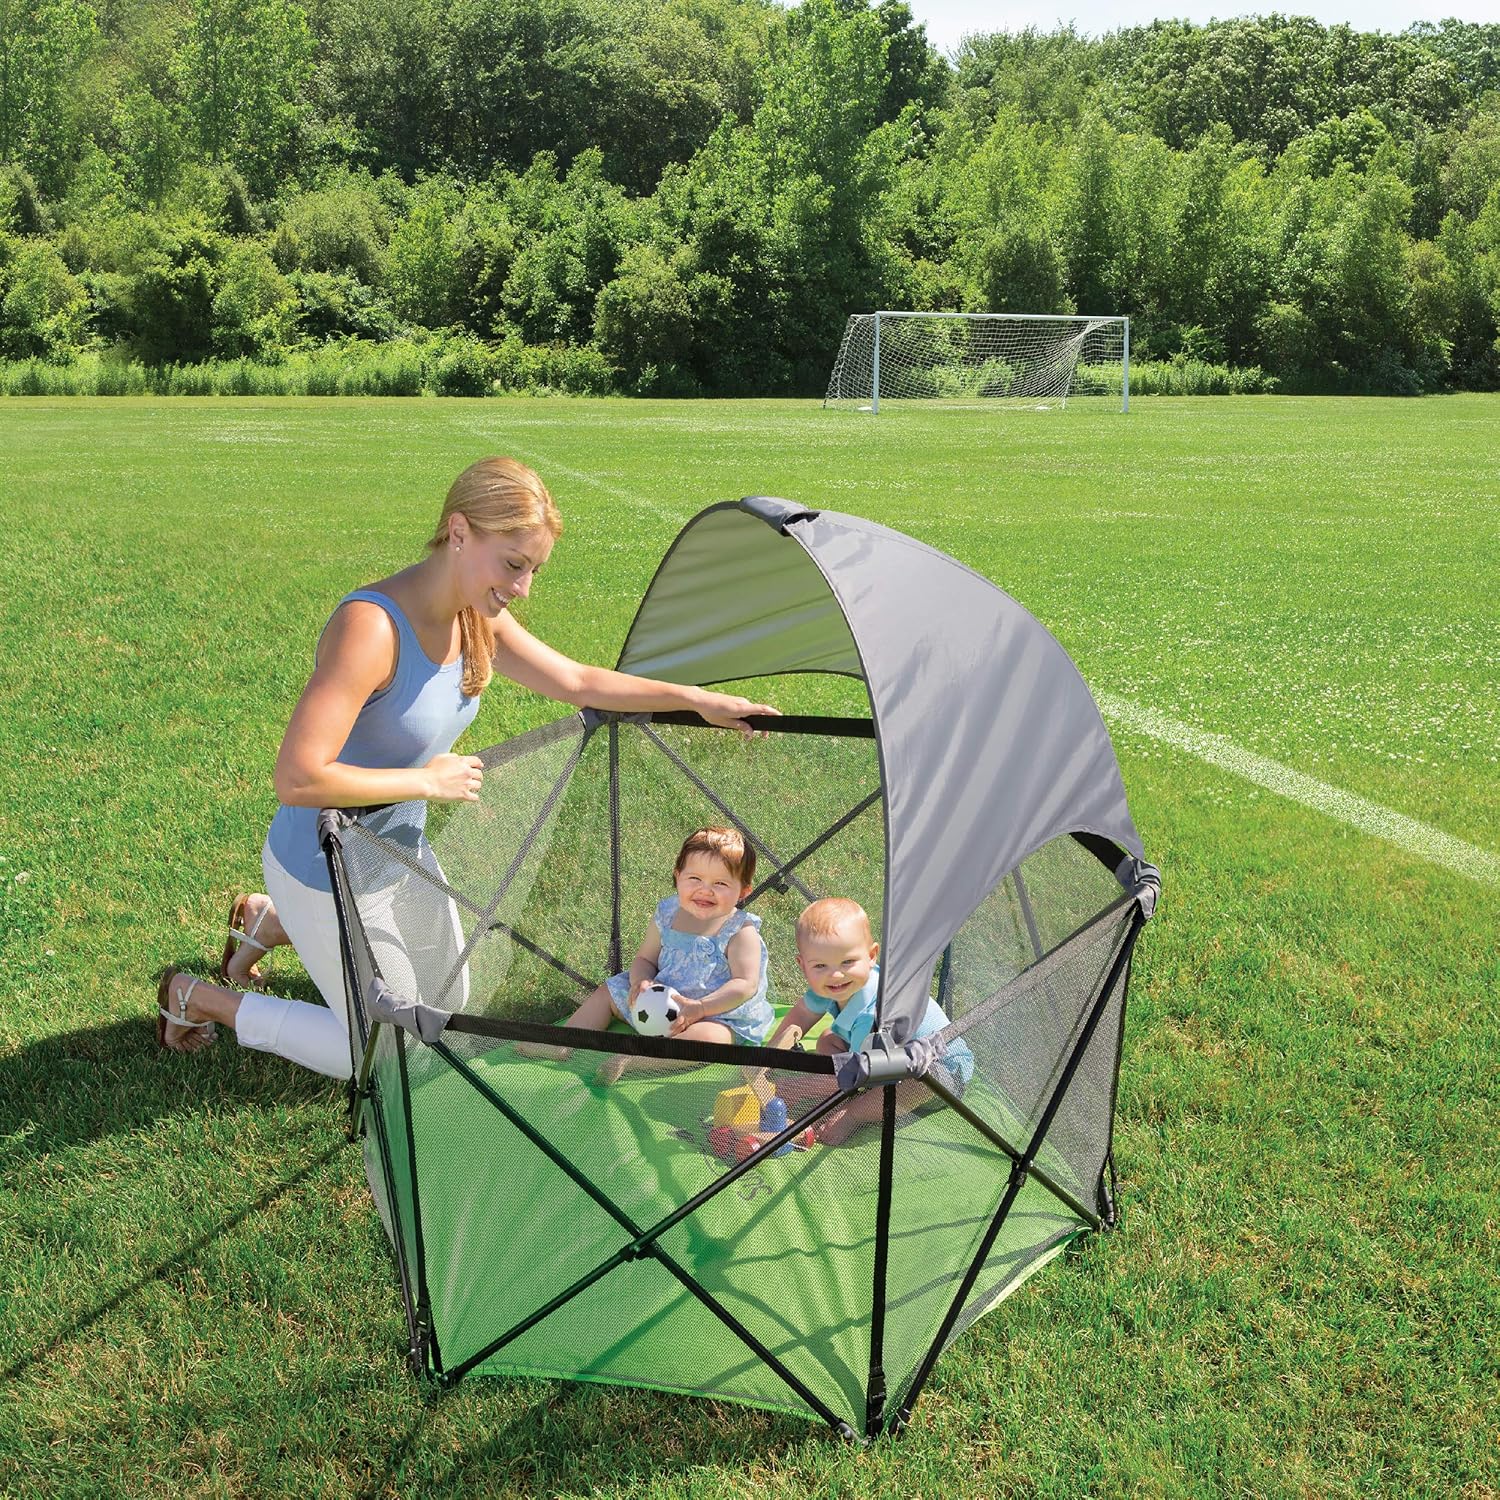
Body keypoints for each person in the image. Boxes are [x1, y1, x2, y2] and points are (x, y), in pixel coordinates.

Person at [156, 458, 778, 1078]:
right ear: (459, 532)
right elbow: (296, 776)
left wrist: (696, 697)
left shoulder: (475, 616)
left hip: (395, 851)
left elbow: (577, 680)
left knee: (444, 1011)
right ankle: (198, 997)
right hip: (320, 863)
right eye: (514, 564)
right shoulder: (370, 629)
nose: (524, 587)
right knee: (382, 1055)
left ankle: (269, 922)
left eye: (534, 569)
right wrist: (426, 781)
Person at [561, 827, 774, 1067]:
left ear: (743, 891)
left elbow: (745, 985)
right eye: (695, 879)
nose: (705, 890)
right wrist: (640, 982)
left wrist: (701, 1008)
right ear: (678, 876)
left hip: (716, 1014)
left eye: (720, 883)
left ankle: (635, 1063)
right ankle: (563, 1042)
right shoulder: (667, 914)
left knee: (712, 1040)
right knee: (607, 993)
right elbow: (645, 959)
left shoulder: (740, 932)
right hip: (658, 1002)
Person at [768, 897, 972, 1143]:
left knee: (918, 1079)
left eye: (847, 962)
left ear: (871, 955)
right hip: (884, 1055)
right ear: (803, 966)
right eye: (820, 965)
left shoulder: (872, 1014)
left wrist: (798, 1088)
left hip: (941, 1075)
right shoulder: (830, 986)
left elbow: (856, 1072)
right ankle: (854, 1092)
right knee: (826, 1040)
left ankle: (855, 1114)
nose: (835, 975)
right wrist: (767, 1060)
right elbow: (799, 1017)